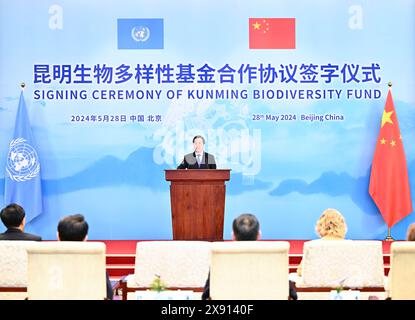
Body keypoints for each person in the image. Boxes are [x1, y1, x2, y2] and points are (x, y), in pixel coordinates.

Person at [202, 213, 297, 300]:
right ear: (259, 235)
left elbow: (206, 295)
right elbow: (293, 295)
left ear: (233, 236)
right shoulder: (275, 258)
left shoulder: (220, 257)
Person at [57, 214, 113, 300]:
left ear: (58, 236)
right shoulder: (95, 264)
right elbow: (108, 295)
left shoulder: (42, 263)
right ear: (85, 238)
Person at [296, 208, 347, 277]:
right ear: (342, 225)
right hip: (342, 286)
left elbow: (301, 272)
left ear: (320, 225)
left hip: (317, 286)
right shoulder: (352, 245)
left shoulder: (311, 246)